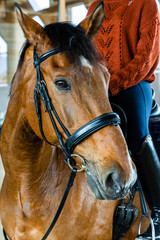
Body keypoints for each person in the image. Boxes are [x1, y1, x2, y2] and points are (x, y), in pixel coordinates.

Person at [87, 0, 160, 239]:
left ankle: (157, 212)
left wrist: (112, 83)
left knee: (138, 135)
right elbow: (84, 48)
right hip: (99, 86)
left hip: (135, 83)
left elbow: (146, 58)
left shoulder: (145, 4)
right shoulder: (96, 5)